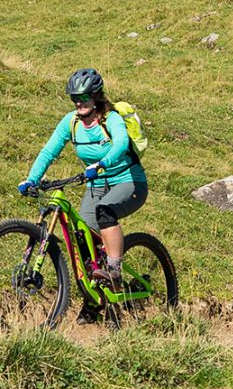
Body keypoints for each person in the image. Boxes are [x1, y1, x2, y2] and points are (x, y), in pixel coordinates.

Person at [18, 69, 148, 284]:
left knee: (105, 212)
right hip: (96, 185)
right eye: (75, 98)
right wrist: (32, 179)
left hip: (128, 181)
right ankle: (94, 301)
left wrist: (102, 163)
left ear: (96, 96)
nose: (79, 102)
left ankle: (114, 272)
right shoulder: (71, 122)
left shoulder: (111, 118)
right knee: (83, 239)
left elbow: (121, 143)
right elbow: (49, 152)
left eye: (84, 97)